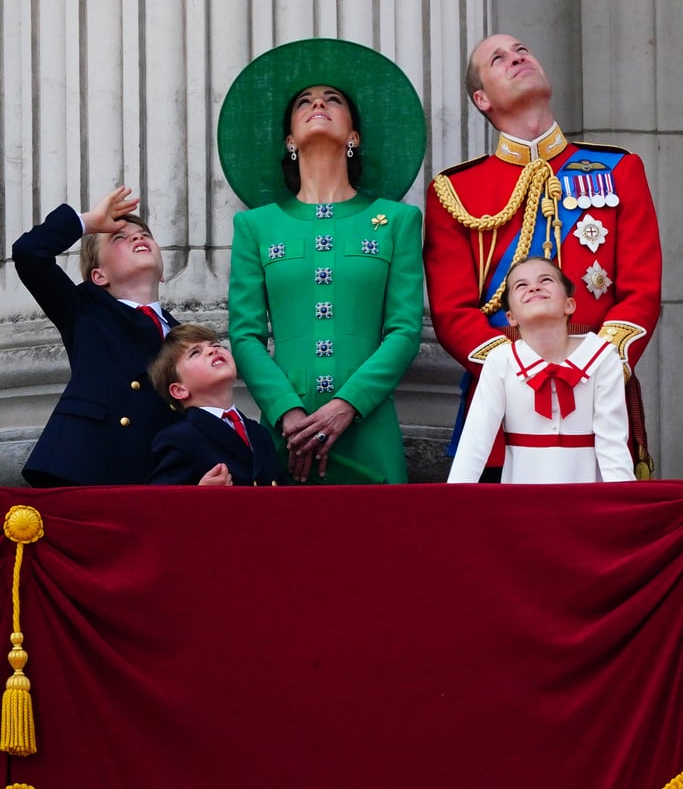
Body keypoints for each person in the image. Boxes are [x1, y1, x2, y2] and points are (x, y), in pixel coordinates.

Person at [423, 33, 662, 480]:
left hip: (600, 398)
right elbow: (452, 310)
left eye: (523, 51)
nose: (517, 58)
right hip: (501, 414)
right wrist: (518, 372)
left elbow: (642, 290)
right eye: (499, 58)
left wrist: (592, 367)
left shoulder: (618, 170)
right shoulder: (454, 191)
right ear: (482, 99)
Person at [217, 38, 426, 484]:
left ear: (355, 136)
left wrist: (347, 404)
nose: (318, 102)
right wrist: (285, 411)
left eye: (333, 99)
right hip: (287, 435)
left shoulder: (397, 221)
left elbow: (405, 329)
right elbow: (246, 334)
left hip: (368, 425)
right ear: (289, 139)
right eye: (304, 102)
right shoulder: (256, 226)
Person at [12, 187, 180, 486]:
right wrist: (88, 222)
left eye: (145, 235)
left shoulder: (184, 337)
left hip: (152, 475)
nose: (138, 237)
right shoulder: (85, 309)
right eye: (119, 237)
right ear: (98, 275)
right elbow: (29, 252)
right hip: (83, 463)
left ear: (162, 272)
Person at [447, 257, 635, 483]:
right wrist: (455, 505)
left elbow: (613, 447)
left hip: (587, 503)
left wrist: (624, 507)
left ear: (569, 305)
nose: (534, 287)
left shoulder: (603, 358)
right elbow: (475, 443)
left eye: (546, 280)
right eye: (521, 285)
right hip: (521, 504)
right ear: (511, 317)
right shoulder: (500, 361)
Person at [147, 324, 288, 486]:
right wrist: (200, 495)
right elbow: (159, 504)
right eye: (195, 353)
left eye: (216, 345)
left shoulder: (259, 433)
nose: (212, 350)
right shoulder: (178, 439)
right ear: (180, 390)